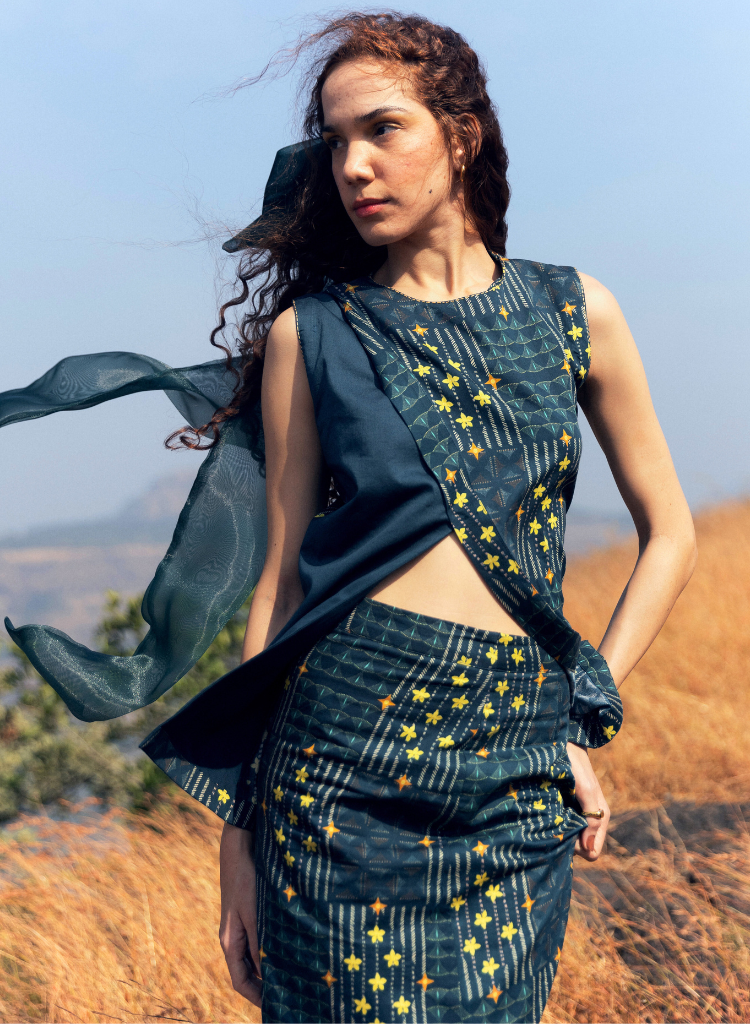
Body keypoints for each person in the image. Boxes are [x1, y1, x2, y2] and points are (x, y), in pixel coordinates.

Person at [0, 12, 696, 1024]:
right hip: (334, 769)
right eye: (334, 142)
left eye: (383, 129)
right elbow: (278, 587)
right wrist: (237, 838)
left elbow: (671, 533)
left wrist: (579, 711)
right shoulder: (314, 335)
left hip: (512, 773)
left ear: (462, 135)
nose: (353, 166)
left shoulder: (574, 311)